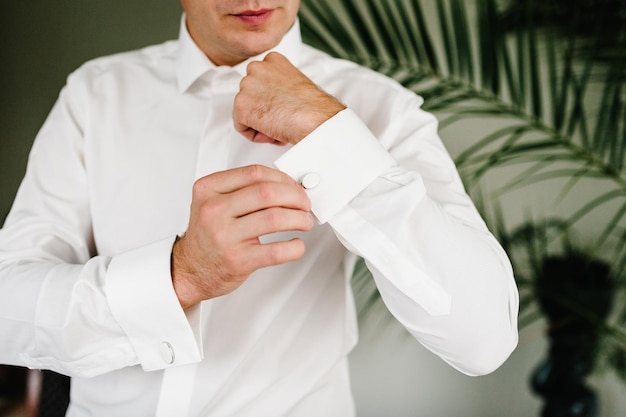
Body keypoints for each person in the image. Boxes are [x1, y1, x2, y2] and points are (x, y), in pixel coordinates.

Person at [0, 1, 519, 416]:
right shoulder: (95, 95)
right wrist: (180, 278)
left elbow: (483, 340)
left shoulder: (378, 106)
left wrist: (331, 135)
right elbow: (8, 313)